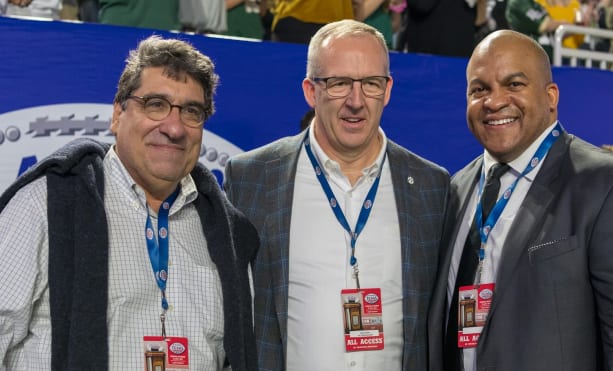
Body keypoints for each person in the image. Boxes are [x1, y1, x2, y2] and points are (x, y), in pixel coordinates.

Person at [0, 35, 258, 370]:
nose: (174, 127)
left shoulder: (227, 233)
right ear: (118, 114)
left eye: (192, 111)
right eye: (156, 104)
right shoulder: (47, 205)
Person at [224, 19, 451, 370]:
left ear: (388, 90)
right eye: (340, 83)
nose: (356, 101)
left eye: (371, 84)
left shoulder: (430, 186)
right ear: (311, 91)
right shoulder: (252, 177)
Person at [428, 29, 613, 371]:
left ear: (551, 96)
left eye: (514, 84)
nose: (494, 101)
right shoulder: (455, 188)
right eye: (479, 89)